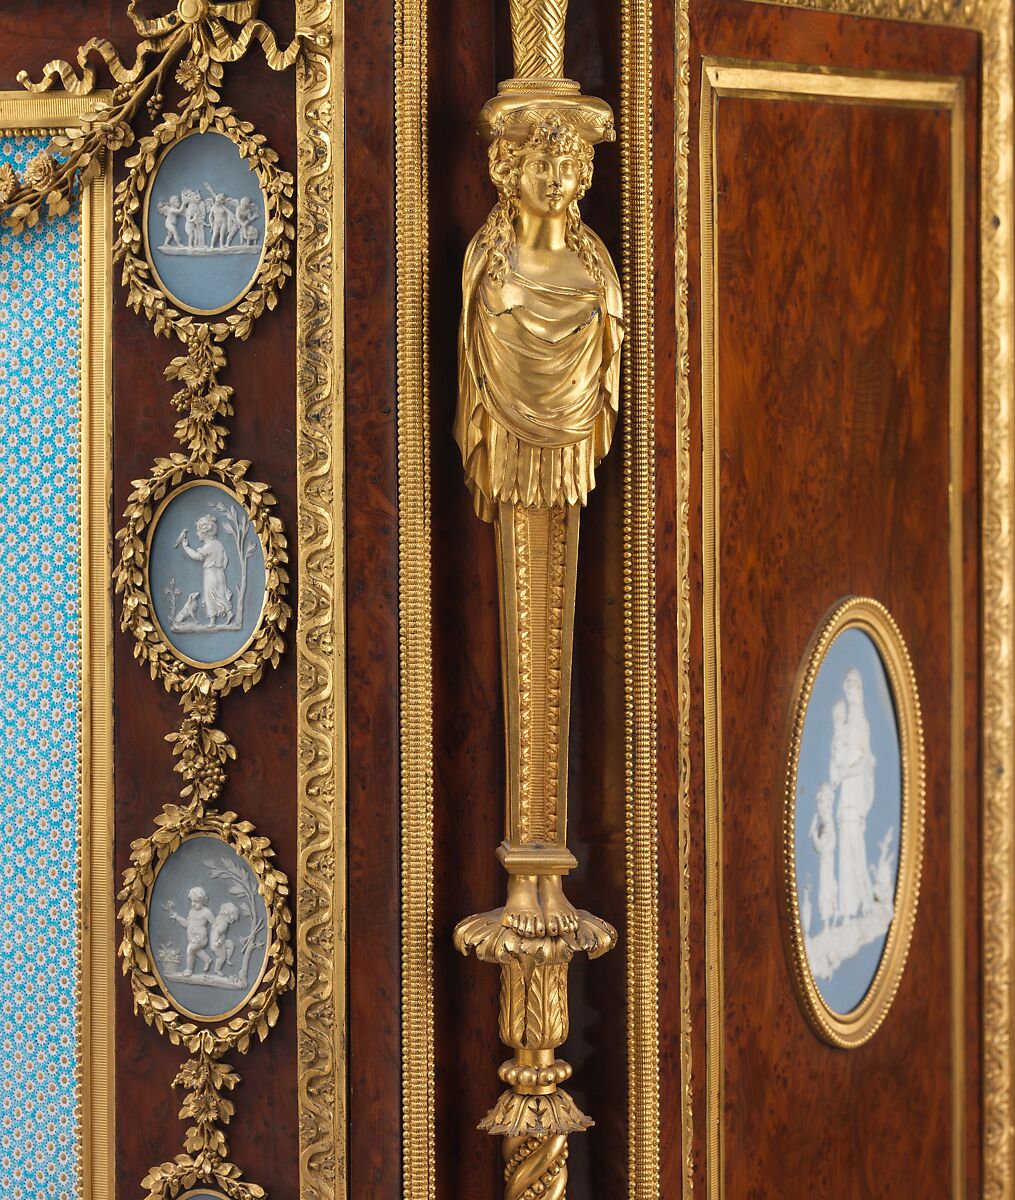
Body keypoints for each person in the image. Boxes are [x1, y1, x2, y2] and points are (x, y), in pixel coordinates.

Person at [455, 107, 623, 523]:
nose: (555, 180)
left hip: (575, 426)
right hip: (504, 430)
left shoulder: (597, 266)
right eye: (540, 165)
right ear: (511, 173)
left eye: (567, 166)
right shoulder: (487, 260)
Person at [833, 669, 876, 920]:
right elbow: (836, 758)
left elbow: (863, 760)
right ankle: (847, 907)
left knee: (854, 843)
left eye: (853, 687)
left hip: (855, 792)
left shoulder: (862, 725)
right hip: (845, 792)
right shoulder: (845, 726)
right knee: (844, 846)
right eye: (846, 686)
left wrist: (845, 771)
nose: (850, 691)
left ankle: (865, 898)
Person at [179, 514, 233, 625]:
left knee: (210, 596)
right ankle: (229, 612)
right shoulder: (219, 544)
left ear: (205, 533)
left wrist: (186, 547)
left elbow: (196, 557)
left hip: (211, 573)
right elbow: (225, 560)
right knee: (220, 594)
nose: (197, 534)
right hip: (220, 573)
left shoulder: (208, 546)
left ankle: (212, 621)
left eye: (198, 531)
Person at [165, 886, 214, 976]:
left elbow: (214, 924)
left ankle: (189, 969)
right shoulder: (191, 911)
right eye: (192, 901)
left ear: (204, 901)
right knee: (196, 950)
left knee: (190, 950)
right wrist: (177, 917)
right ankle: (207, 960)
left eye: (196, 901)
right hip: (192, 938)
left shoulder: (206, 912)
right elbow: (186, 924)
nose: (193, 904)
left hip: (201, 938)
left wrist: (217, 937)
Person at [808, 783, 837, 931]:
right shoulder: (825, 824)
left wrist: (814, 834)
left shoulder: (827, 825)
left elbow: (822, 846)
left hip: (826, 865)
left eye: (823, 802)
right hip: (826, 864)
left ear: (829, 805)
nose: (819, 806)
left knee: (825, 891)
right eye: (819, 802)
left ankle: (826, 923)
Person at [209, 902, 239, 975]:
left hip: (221, 941)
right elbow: (217, 932)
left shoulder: (219, 918)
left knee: (230, 944)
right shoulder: (224, 924)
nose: (232, 922)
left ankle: (228, 959)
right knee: (222, 957)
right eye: (232, 920)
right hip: (217, 944)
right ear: (228, 916)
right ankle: (217, 969)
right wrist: (216, 942)